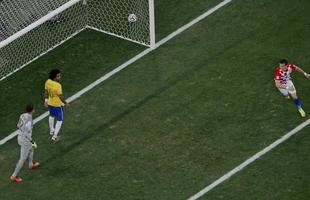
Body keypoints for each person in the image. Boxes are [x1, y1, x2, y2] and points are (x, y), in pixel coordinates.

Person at [10, 104, 40, 183]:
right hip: (25, 140)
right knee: (22, 159)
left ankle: (30, 165)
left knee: (31, 148)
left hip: (19, 136)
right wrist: (32, 141)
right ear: (32, 110)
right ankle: (14, 176)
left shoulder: (22, 115)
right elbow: (27, 133)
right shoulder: (29, 121)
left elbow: (18, 125)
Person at [44, 69, 69, 142]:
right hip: (57, 105)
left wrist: (46, 100)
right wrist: (66, 103)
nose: (60, 77)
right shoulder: (58, 85)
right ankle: (54, 136)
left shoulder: (47, 82)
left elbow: (46, 92)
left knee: (51, 116)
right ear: (54, 77)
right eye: (58, 76)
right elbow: (60, 97)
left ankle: (51, 131)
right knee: (60, 120)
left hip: (50, 103)